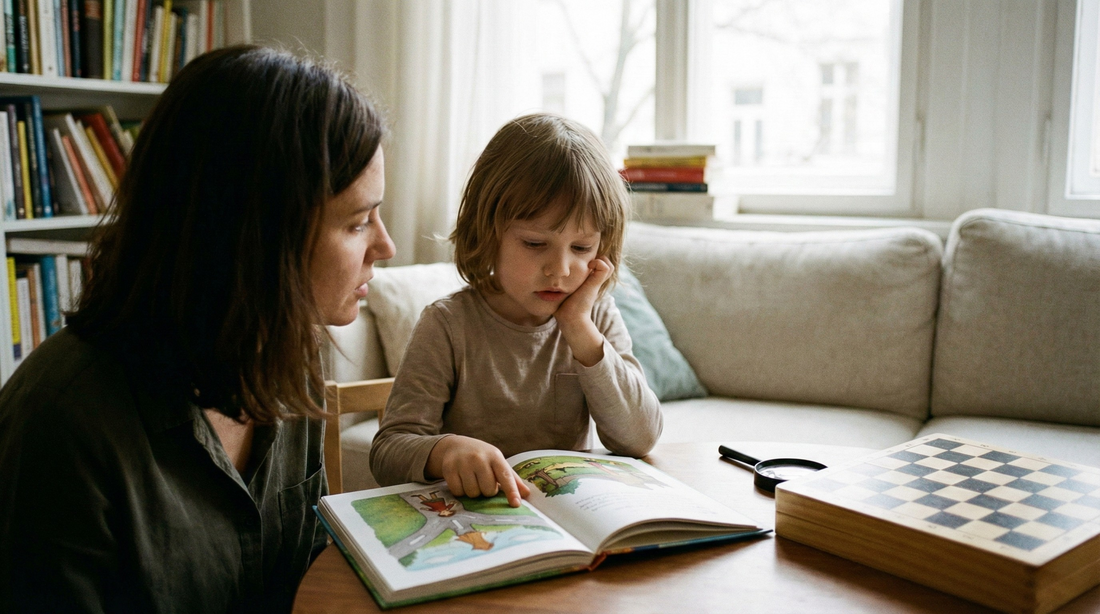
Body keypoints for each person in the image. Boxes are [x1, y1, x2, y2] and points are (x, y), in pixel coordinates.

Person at [0, 45, 396, 613]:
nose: (386, 246)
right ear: (256, 237)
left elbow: (309, 567)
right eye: (358, 222)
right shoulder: (63, 429)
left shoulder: (290, 353)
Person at [369, 113, 662, 506]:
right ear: (487, 231)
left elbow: (639, 437)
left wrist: (579, 330)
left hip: (567, 515)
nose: (560, 270)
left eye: (581, 248)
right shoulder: (448, 325)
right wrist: (445, 451)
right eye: (534, 244)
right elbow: (387, 451)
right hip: (475, 518)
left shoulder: (596, 319)